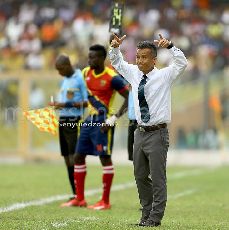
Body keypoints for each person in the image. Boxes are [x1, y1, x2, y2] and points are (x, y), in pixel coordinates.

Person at [109, 33, 188, 226]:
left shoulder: (164, 76)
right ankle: (145, 215)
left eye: (144, 57)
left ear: (154, 59)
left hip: (158, 133)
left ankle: (155, 218)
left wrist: (170, 46)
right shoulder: (134, 73)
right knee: (140, 176)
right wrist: (115, 48)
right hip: (140, 132)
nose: (140, 61)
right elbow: (117, 63)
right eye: (138, 57)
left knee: (158, 178)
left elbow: (182, 63)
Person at [60, 44, 129, 210]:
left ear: (101, 59)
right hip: (89, 119)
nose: (88, 60)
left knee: (104, 158)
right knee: (78, 156)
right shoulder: (85, 73)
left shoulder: (112, 77)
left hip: (104, 121)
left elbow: (129, 98)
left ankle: (105, 201)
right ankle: (80, 199)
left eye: (92, 57)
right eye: (88, 57)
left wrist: (113, 119)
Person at [51, 54, 88, 202]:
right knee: (66, 157)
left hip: (74, 120)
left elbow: (86, 102)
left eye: (60, 69)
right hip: (63, 120)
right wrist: (58, 106)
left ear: (67, 65)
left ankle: (80, 195)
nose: (59, 72)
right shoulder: (64, 80)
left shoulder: (80, 78)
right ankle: (74, 193)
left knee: (74, 157)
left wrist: (66, 105)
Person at [127, 83, 138, 161]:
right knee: (130, 139)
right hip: (131, 119)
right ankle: (131, 157)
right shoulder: (130, 93)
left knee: (138, 140)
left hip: (139, 119)